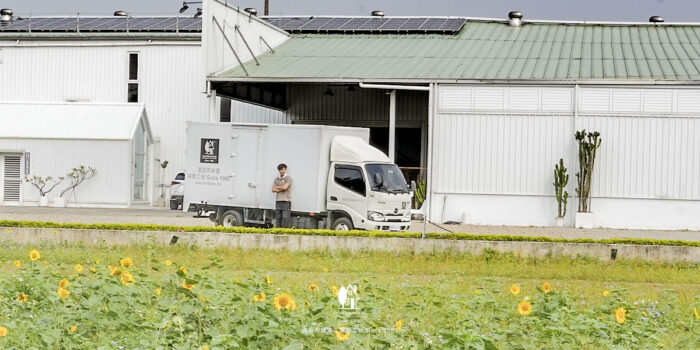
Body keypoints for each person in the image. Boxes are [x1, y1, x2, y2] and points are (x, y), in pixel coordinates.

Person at [272, 163, 293, 228]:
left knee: (285, 218)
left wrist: (277, 187)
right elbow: (273, 189)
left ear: (286, 170)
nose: (283, 171)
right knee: (278, 218)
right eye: (281, 169)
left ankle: (284, 233)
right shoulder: (276, 179)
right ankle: (278, 232)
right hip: (278, 201)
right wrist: (282, 187)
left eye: (284, 169)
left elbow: (285, 187)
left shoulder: (288, 178)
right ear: (279, 170)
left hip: (286, 201)